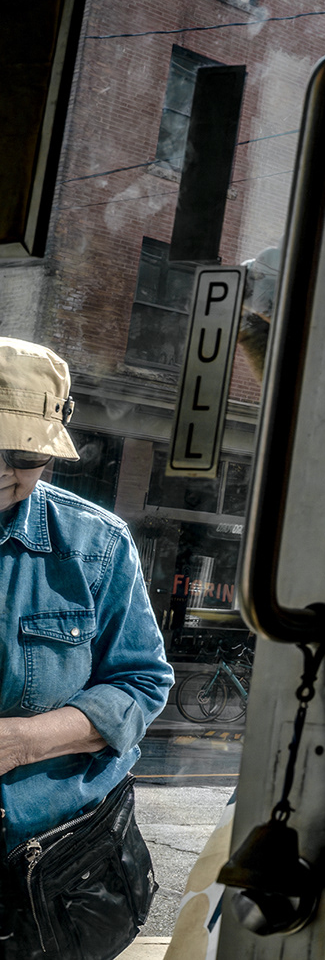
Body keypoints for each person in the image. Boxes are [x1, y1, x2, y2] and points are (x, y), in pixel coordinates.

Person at [0, 338, 173, 947]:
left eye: (22, 452)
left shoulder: (95, 543)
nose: (2, 470)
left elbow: (141, 681)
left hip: (55, 864)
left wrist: (19, 743)